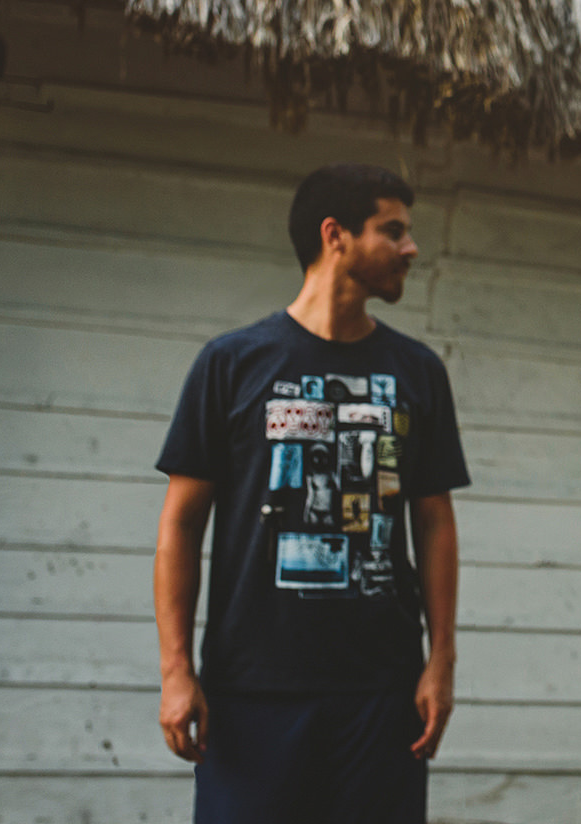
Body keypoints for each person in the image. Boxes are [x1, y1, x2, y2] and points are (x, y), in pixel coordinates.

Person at [153, 163, 471, 824]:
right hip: (252, 690)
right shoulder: (231, 364)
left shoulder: (417, 372)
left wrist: (440, 660)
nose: (411, 249)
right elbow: (180, 525)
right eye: (393, 231)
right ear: (336, 235)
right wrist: (176, 670)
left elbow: (435, 523)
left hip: (381, 692)